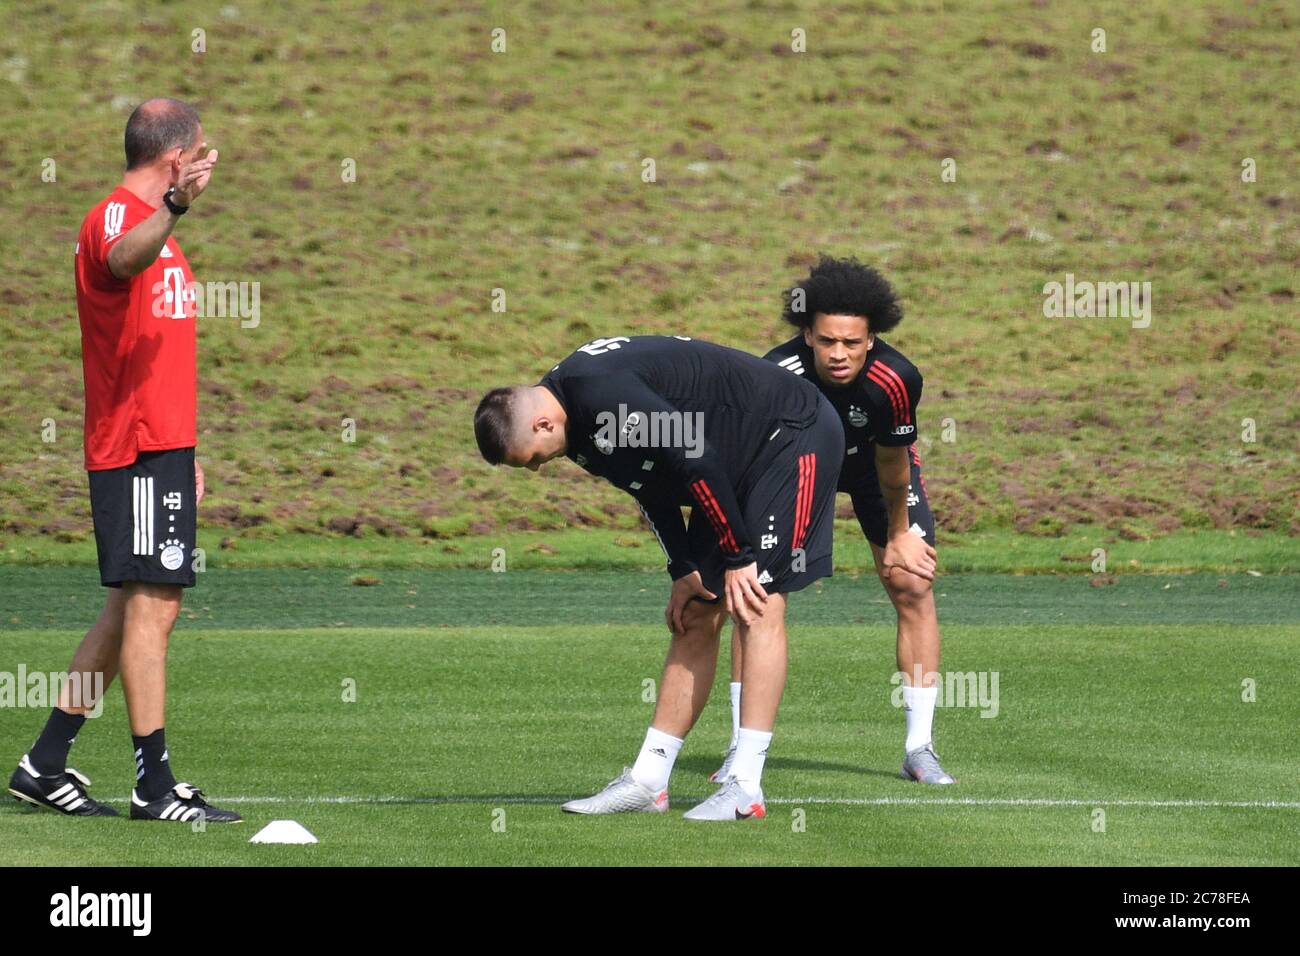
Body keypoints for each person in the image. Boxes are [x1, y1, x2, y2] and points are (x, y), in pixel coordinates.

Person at [474, 335, 843, 820]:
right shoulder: (577, 426)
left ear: (542, 424)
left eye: (535, 458)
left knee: (757, 601)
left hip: (792, 434)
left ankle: (746, 786)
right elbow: (649, 481)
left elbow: (694, 457)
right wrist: (683, 568)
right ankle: (649, 782)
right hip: (729, 463)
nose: (541, 469)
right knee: (696, 614)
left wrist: (737, 555)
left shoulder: (601, 395)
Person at [8, 98, 240, 823]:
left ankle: (45, 764)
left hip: (159, 446)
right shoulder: (120, 218)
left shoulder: (159, 233)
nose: (206, 162)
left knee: (125, 610)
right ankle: (154, 785)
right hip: (134, 446)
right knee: (153, 610)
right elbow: (117, 258)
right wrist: (174, 204)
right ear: (175, 158)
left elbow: (160, 348)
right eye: (198, 151)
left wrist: (185, 451)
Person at [713, 256, 955, 785]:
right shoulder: (774, 375)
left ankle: (920, 748)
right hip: (797, 469)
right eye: (826, 341)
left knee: (911, 582)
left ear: (872, 339)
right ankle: (739, 746)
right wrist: (738, 547)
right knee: (756, 595)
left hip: (874, 469)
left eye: (851, 342)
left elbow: (894, 462)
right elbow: (748, 459)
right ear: (807, 335)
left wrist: (897, 534)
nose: (839, 354)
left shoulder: (896, 379)